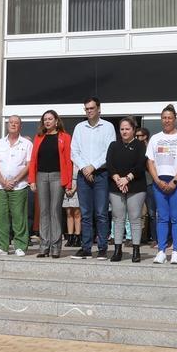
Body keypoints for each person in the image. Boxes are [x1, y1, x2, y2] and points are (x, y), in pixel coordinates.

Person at [146, 105, 177, 265]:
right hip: (158, 182)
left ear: (175, 119)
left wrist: (174, 181)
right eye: (164, 117)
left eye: (169, 117)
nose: (167, 120)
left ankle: (176, 252)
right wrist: (157, 180)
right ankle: (161, 251)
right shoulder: (155, 138)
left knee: (176, 217)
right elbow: (150, 161)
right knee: (162, 218)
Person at [70, 97, 116, 259]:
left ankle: (102, 247)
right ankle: (86, 247)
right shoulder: (79, 128)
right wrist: (84, 168)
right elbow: (74, 151)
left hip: (101, 174)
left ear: (98, 109)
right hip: (84, 175)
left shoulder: (108, 127)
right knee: (86, 213)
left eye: (91, 108)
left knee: (102, 213)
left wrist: (93, 167)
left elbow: (109, 152)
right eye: (86, 109)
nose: (89, 111)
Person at [30, 110, 72, 259]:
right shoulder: (39, 137)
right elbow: (33, 160)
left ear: (56, 121)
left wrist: (68, 183)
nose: (47, 122)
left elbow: (68, 161)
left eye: (50, 119)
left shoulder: (65, 137)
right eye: (45, 119)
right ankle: (44, 246)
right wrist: (32, 180)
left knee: (54, 211)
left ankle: (55, 247)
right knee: (44, 212)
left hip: (57, 176)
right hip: (41, 176)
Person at [0, 115, 32, 257]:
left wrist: (15, 180)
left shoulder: (26, 144)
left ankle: (20, 246)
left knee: (19, 216)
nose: (13, 125)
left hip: (19, 186)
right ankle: (2, 246)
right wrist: (2, 181)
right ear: (7, 125)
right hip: (0, 186)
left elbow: (29, 165)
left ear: (20, 126)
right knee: (1, 217)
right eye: (11, 123)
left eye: (16, 123)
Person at [106, 117, 147, 263]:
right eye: (122, 129)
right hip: (116, 186)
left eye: (127, 129)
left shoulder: (140, 145)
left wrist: (127, 178)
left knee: (135, 218)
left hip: (136, 186)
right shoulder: (113, 145)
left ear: (133, 130)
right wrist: (117, 178)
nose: (124, 131)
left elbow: (141, 164)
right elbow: (109, 163)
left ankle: (136, 250)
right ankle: (117, 250)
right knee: (118, 218)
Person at [134, 126, 155, 245]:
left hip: (150, 183)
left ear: (145, 136)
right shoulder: (136, 148)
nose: (137, 138)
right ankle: (141, 237)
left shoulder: (150, 148)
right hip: (139, 184)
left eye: (140, 136)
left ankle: (155, 238)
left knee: (152, 213)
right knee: (140, 213)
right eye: (136, 136)